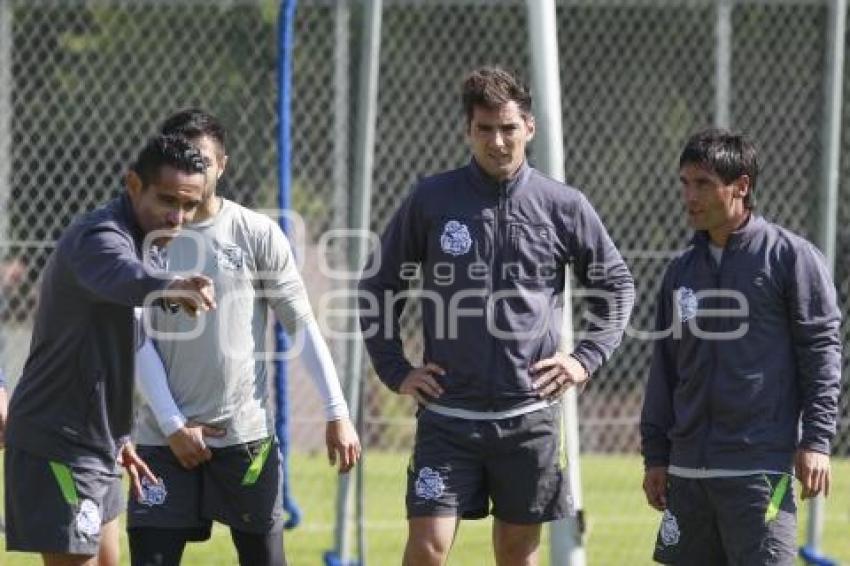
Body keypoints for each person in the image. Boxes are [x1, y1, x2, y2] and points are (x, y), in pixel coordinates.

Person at [359, 67, 635, 565]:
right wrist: (396, 370)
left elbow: (616, 285)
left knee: (517, 554)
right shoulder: (432, 199)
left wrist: (585, 357)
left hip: (527, 418)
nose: (498, 141)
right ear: (468, 131)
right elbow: (378, 286)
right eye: (485, 129)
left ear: (529, 127)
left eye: (508, 128)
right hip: (448, 416)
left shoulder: (563, 206)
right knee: (427, 548)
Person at [127, 108, 361, 566]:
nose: (195, 170)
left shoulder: (255, 233)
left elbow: (301, 323)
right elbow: (134, 339)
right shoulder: (141, 236)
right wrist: (174, 426)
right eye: (185, 159)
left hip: (244, 439)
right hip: (161, 439)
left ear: (223, 165)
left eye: (205, 161)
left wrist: (337, 410)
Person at [3, 134, 216, 565]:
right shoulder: (99, 237)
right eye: (167, 200)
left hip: (98, 442)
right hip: (58, 441)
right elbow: (124, 276)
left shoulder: (147, 240)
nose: (177, 216)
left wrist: (117, 434)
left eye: (189, 205)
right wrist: (172, 287)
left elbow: (122, 340)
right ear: (133, 185)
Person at [640, 129, 842, 565]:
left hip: (760, 469)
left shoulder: (791, 258)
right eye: (685, 182)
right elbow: (666, 369)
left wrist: (818, 440)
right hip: (689, 472)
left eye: (703, 184)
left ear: (742, 187)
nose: (689, 196)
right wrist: (656, 454)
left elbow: (822, 351)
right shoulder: (680, 272)